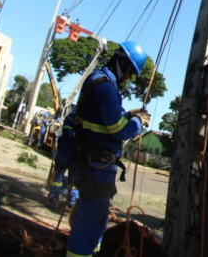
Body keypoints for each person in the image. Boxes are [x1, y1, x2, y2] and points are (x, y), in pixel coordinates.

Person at [66, 41, 151, 257]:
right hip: (96, 166)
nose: (129, 78)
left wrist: (129, 114)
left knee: (94, 221)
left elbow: (105, 121)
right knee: (89, 225)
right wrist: (139, 124)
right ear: (125, 65)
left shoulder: (99, 81)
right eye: (131, 73)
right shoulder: (106, 88)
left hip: (90, 162)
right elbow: (117, 130)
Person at [48, 111, 79, 208]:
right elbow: (67, 132)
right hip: (65, 152)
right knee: (59, 177)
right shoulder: (72, 116)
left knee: (74, 181)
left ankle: (72, 203)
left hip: (76, 155)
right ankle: (53, 197)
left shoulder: (88, 118)